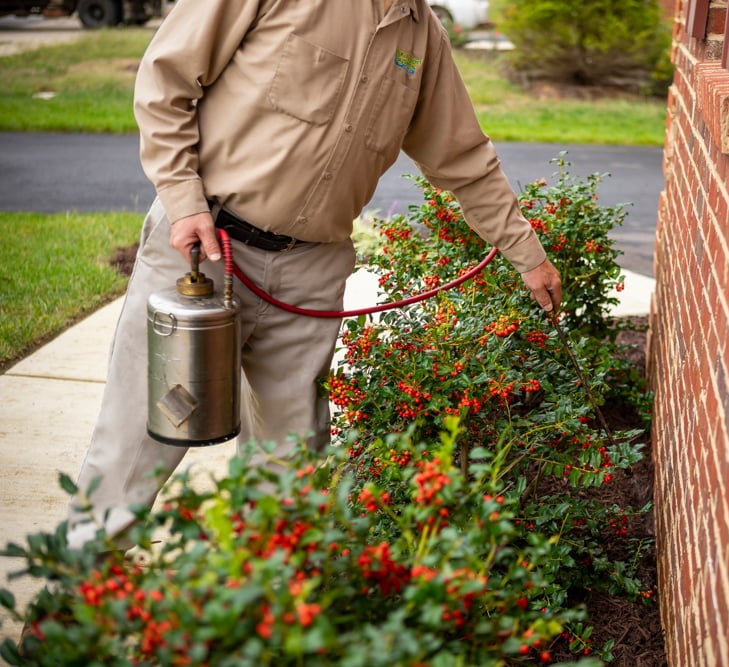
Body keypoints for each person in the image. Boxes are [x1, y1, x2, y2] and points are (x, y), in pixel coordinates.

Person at [64, 0, 562, 551]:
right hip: (204, 248)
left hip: (311, 271)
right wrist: (183, 201)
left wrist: (528, 254)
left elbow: (464, 157)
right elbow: (167, 80)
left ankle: (262, 621)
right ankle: (65, 611)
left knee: (290, 468)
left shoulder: (422, 37)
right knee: (140, 441)